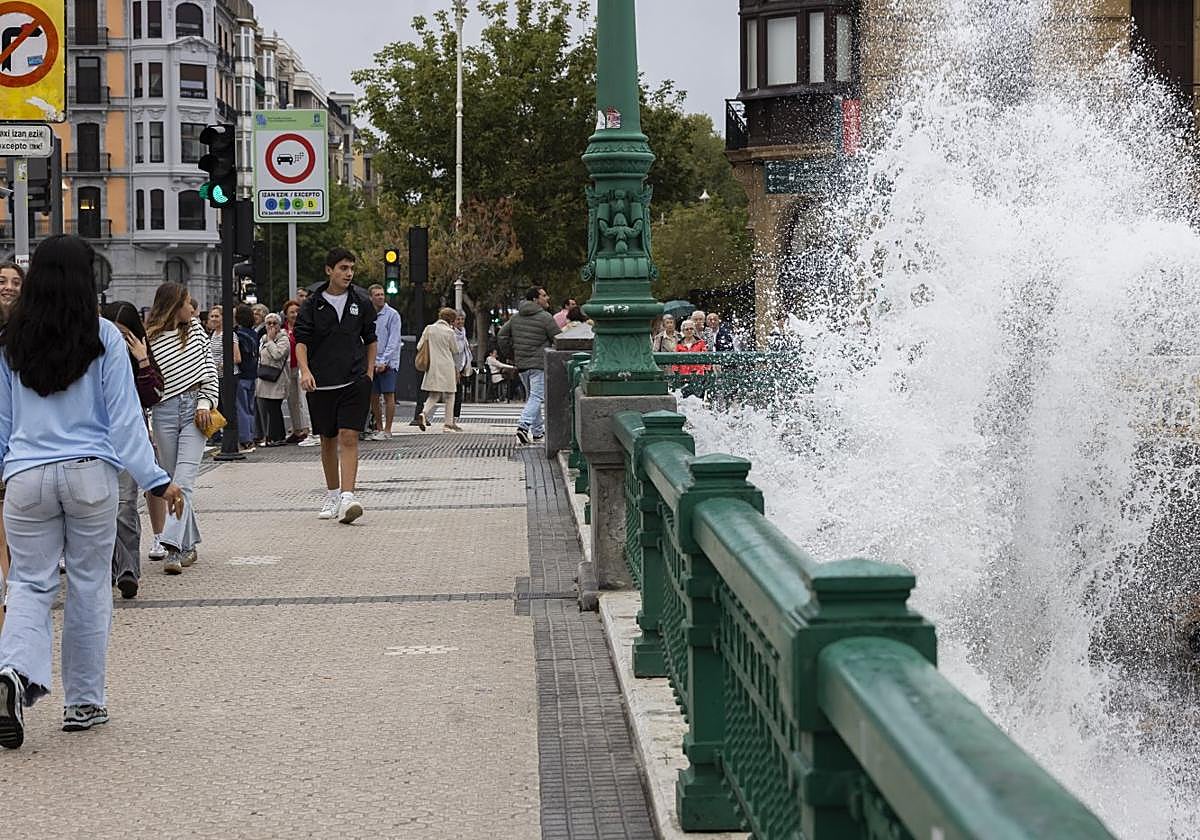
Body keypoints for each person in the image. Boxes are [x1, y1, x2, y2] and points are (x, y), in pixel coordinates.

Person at [0, 235, 184, 748]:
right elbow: (125, 422)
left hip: (27, 477)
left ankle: (13, 671)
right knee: (87, 585)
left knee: (29, 584)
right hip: (90, 476)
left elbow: (2, 422)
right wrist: (156, 478)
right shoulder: (103, 336)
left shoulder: (11, 340)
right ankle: (83, 701)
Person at [295, 248, 376, 524]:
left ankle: (348, 496)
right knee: (328, 439)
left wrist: (368, 373)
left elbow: (371, 339)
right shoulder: (312, 304)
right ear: (329, 270)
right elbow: (301, 342)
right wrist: (305, 371)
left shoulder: (361, 301)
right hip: (321, 383)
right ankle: (332, 494)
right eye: (343, 268)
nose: (348, 273)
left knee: (349, 435)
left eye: (351, 268)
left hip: (354, 380)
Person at [146, 281, 219, 574]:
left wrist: (205, 403)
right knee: (172, 482)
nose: (193, 308)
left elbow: (209, 370)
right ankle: (189, 545)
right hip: (163, 411)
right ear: (174, 306)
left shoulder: (197, 331)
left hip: (195, 412)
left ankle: (172, 546)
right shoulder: (150, 338)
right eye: (188, 302)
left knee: (184, 480)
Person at [100, 301, 164, 599]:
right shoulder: (91, 355)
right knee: (102, 508)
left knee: (125, 504)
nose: (117, 338)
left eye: (124, 333)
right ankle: (108, 566)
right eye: (112, 331)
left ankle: (127, 570)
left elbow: (152, 396)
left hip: (128, 436)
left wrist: (142, 361)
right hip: (96, 439)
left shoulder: (139, 355)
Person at [498, 286, 560, 445]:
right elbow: (558, 338)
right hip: (539, 363)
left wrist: (511, 354)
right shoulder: (545, 317)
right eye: (544, 295)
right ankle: (523, 426)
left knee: (533, 397)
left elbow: (502, 335)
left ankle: (538, 432)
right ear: (535, 299)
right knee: (537, 397)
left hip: (522, 364)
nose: (547, 298)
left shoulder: (516, 318)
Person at [0, 262, 23, 620]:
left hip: (20, 442)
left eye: (16, 282)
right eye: (2, 280)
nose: (8, 287)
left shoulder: (27, 334)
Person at [415, 308, 461, 432]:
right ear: (451, 320)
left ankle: (424, 413)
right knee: (450, 395)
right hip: (447, 366)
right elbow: (455, 350)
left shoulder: (429, 329)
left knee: (434, 394)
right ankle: (448, 424)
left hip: (432, 366)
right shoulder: (449, 332)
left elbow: (419, 346)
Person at [367, 284, 401, 440]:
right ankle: (379, 427)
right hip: (371, 360)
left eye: (382, 294)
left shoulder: (392, 315)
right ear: (371, 297)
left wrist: (384, 361)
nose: (380, 297)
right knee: (373, 395)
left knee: (388, 394)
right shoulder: (368, 315)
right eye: (377, 295)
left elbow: (393, 340)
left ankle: (388, 429)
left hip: (388, 362)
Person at [281, 299, 313, 445]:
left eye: (297, 311)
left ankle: (307, 429)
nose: (295, 314)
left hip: (302, 367)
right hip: (288, 368)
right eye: (291, 312)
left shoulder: (304, 327)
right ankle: (296, 429)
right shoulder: (282, 329)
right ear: (286, 314)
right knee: (292, 400)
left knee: (303, 399)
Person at [255, 312, 290, 446]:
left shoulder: (283, 339)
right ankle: (271, 436)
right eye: (268, 323)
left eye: (274, 323)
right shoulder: (263, 338)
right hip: (264, 377)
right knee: (268, 408)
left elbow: (277, 355)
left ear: (279, 325)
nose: (271, 326)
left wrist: (270, 341)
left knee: (274, 408)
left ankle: (277, 437)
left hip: (277, 378)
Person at [232, 304, 259, 453]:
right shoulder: (253, 333)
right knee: (249, 407)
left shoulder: (238, 335)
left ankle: (244, 439)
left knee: (241, 408)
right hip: (252, 373)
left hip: (241, 374)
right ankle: (251, 435)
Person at [449, 310, 472, 431]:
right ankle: (450, 421)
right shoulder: (451, 333)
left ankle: (453, 420)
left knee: (458, 395)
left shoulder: (463, 332)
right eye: (458, 319)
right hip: (453, 368)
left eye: (462, 319)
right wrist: (455, 370)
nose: (460, 321)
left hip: (462, 367)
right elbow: (453, 353)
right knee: (453, 395)